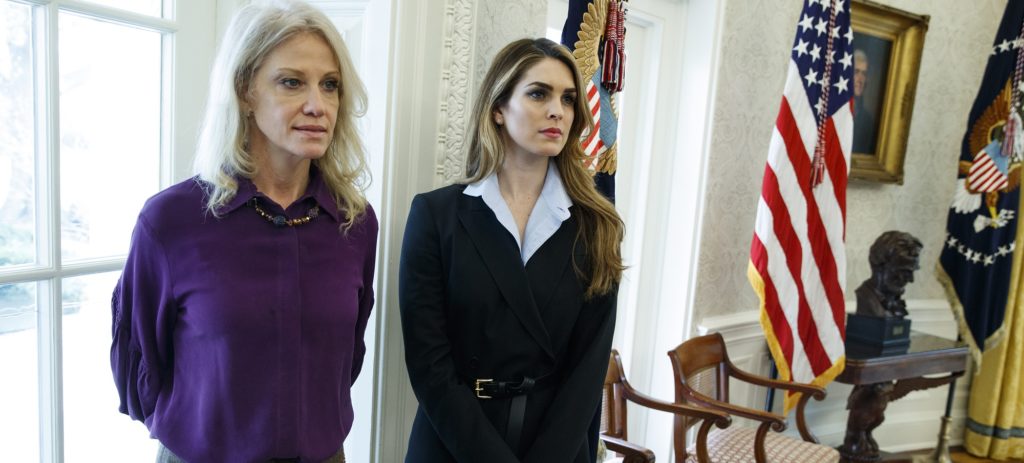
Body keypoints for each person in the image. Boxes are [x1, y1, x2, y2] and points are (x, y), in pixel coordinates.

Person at [110, 1, 377, 462]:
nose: (318, 105)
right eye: (292, 82)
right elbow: (139, 367)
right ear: (245, 91)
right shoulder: (170, 222)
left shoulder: (355, 222)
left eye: (330, 85)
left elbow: (345, 359)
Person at [399, 38, 625, 462]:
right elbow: (429, 364)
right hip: (453, 444)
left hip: (554, 448)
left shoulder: (598, 225)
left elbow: (587, 370)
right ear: (498, 108)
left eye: (568, 99)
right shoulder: (436, 216)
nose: (557, 109)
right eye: (539, 93)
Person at [854, 231, 923, 319]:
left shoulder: (895, 301)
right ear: (879, 266)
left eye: (912, 271)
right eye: (903, 271)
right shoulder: (866, 299)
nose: (911, 280)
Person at [852, 48, 878, 153]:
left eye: (864, 74)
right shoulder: (832, 112)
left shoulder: (868, 121)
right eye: (856, 72)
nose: (860, 79)